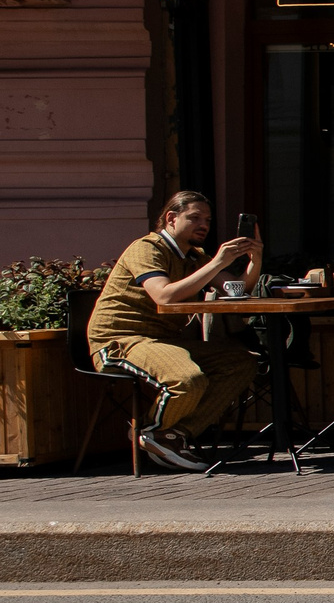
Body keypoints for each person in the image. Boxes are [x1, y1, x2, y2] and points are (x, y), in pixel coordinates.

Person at [86, 190, 264, 473]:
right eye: (194, 218)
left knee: (240, 362)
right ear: (171, 218)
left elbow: (236, 290)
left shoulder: (195, 256)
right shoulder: (147, 248)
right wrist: (219, 262)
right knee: (187, 378)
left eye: (206, 219)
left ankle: (172, 435)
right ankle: (153, 432)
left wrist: (255, 259)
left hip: (163, 341)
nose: (203, 225)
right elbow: (164, 297)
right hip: (120, 340)